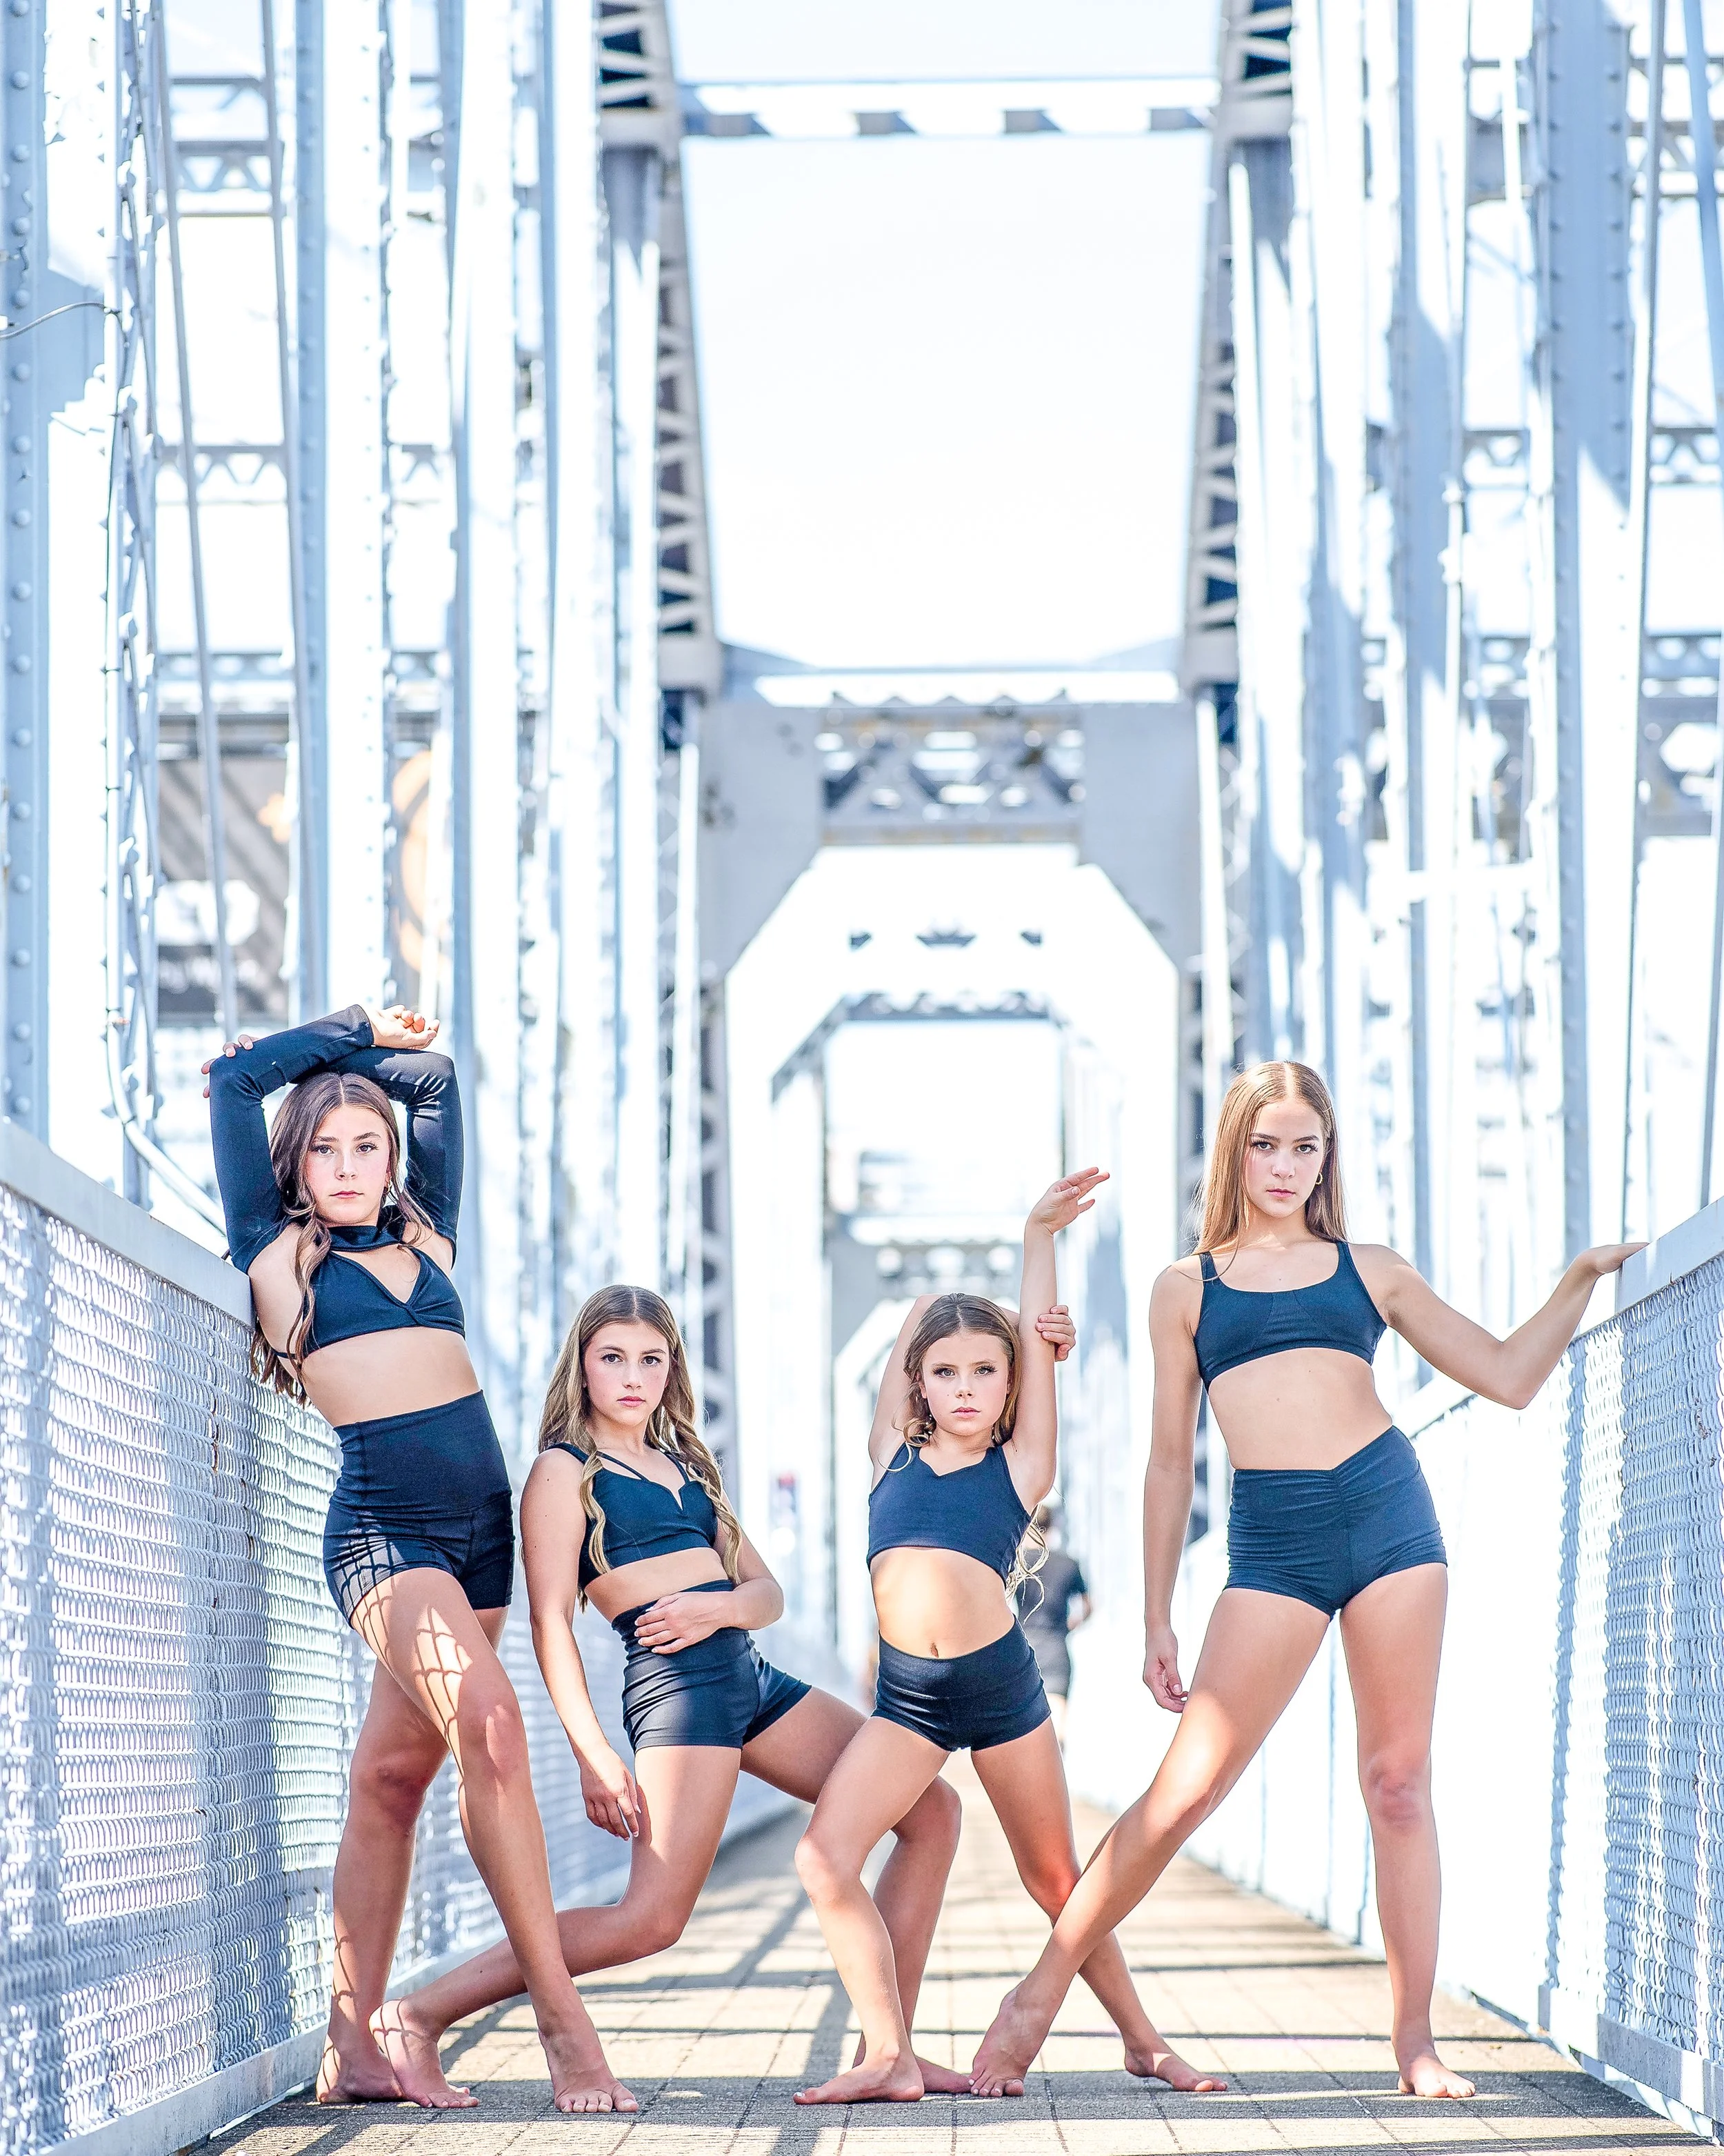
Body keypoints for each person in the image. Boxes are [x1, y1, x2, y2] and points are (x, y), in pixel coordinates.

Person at [969, 1061, 1641, 2102]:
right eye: (1265, 1143)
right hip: (1275, 1544)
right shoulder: (1186, 1287)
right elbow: (1166, 1459)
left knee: (1398, 1782)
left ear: (1328, 1156)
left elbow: (1507, 1376)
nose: (1284, 1166)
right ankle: (1038, 1995)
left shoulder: (1371, 1269)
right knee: (1185, 1789)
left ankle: (1415, 2041)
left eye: (1306, 1146)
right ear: (1235, 1147)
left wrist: (1580, 1279)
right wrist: (1156, 1614)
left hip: (1388, 1515)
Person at [372, 1283, 1073, 2105]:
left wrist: (720, 1605)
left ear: (671, 1371)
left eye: (650, 1358)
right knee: (650, 1920)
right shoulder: (562, 1474)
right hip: (679, 1693)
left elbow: (765, 1595)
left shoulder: (688, 1469)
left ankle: (889, 2051)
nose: (632, 1376)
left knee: (932, 1814)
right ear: (582, 1368)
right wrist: (594, 1752)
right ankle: (416, 2016)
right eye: (612, 1358)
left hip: (752, 1678)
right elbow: (551, 1624)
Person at [204, 1006, 632, 2115]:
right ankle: (561, 2022)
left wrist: (368, 1072)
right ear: (295, 1164)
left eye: (368, 1145)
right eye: (326, 1146)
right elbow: (233, 1079)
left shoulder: (429, 1236)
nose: (349, 1163)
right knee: (493, 1721)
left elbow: (435, 1078)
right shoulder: (277, 1251)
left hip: (482, 1537)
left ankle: (353, 2043)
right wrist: (347, 1034)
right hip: (382, 1534)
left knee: (393, 1783)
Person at [792, 1172, 1224, 2105]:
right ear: (918, 1379)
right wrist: (935, 1313)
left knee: (1058, 1876)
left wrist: (1036, 1239)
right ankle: (889, 2052)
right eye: (945, 1371)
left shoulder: (1021, 1466)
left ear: (1013, 1383)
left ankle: (1145, 2042)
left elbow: (1028, 1340)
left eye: (986, 1371)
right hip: (907, 1698)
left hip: (998, 1685)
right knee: (823, 1855)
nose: (965, 1387)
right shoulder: (888, 1454)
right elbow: (915, 1340)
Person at [1016, 1505, 1090, 1745]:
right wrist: (1069, 1627)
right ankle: (1056, 1781)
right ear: (1053, 1527)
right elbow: (1089, 1606)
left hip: (1022, 1648)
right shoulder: (1068, 1563)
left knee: (1020, 1728)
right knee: (1058, 1726)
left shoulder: (1016, 1566)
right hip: (1057, 1647)